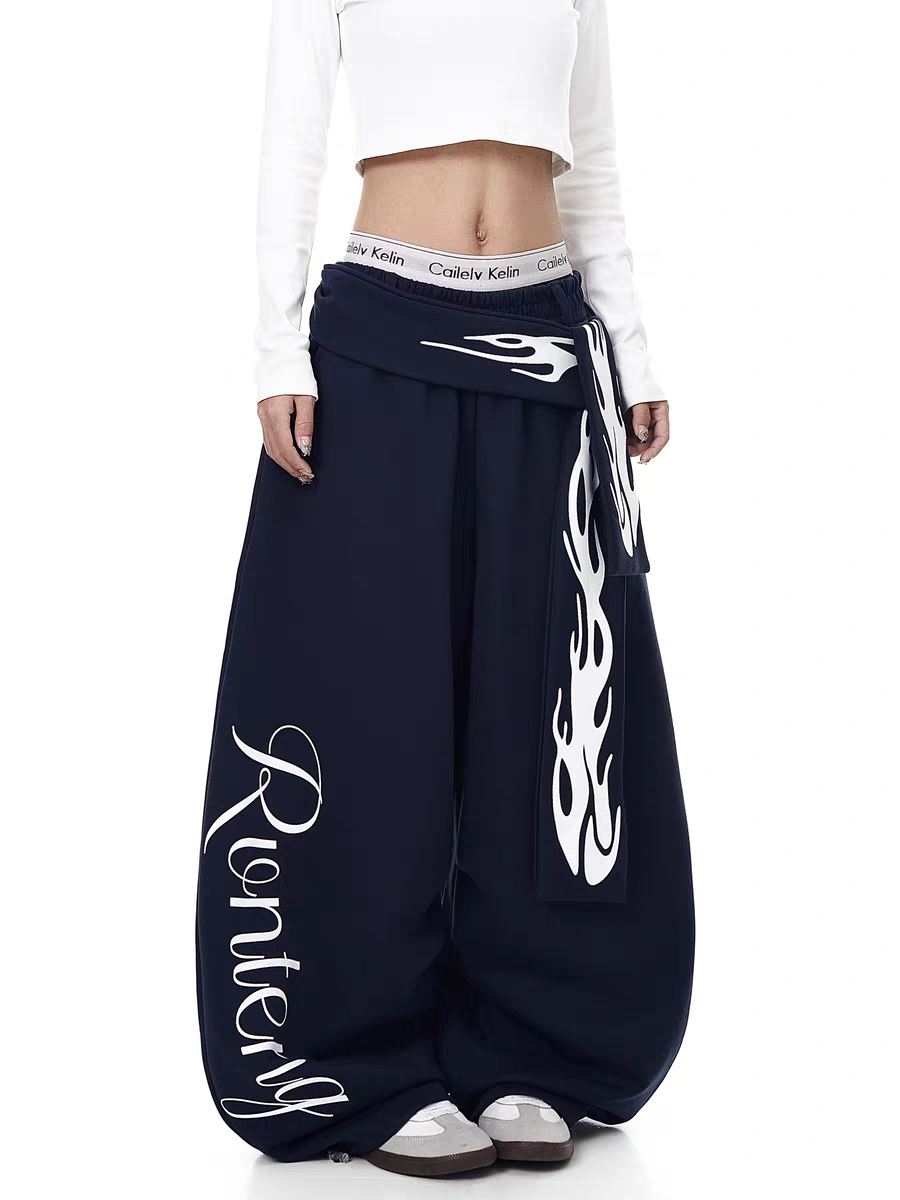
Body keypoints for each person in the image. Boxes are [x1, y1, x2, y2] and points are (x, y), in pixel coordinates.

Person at [195, 0, 694, 1178]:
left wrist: (630, 348)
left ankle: (531, 1044)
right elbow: (291, 143)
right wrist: (277, 350)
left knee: (546, 704)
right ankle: (362, 1059)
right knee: (375, 704)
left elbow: (593, 164)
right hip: (380, 339)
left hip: (544, 341)